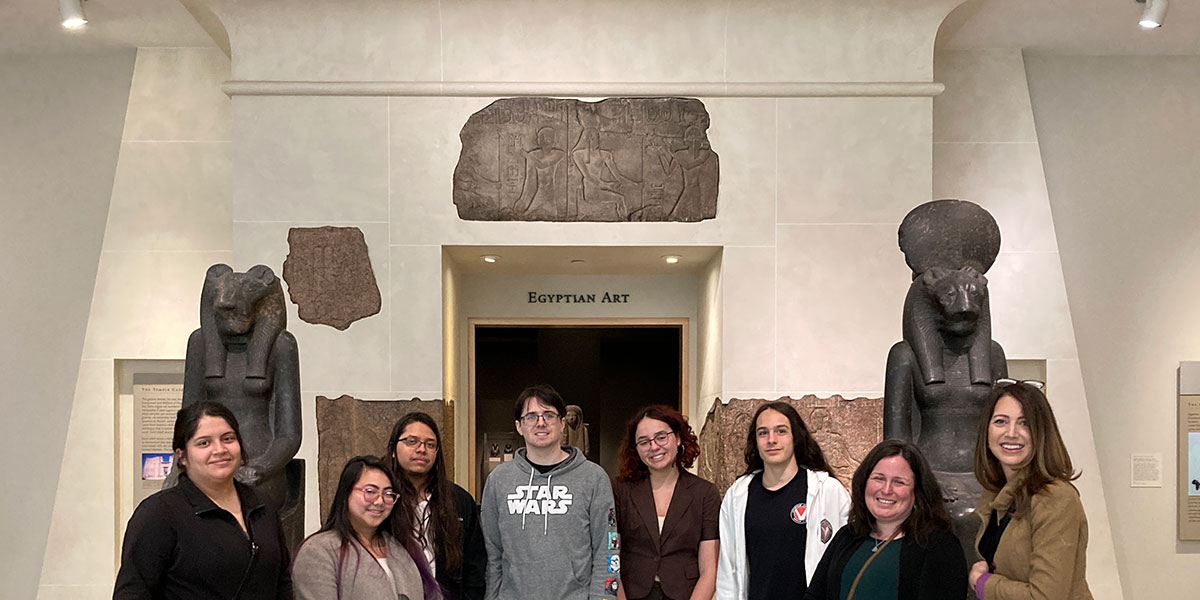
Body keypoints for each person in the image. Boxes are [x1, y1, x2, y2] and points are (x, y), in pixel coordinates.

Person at [114, 401, 292, 599]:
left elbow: (282, 582)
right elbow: (133, 592)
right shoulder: (159, 513)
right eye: (204, 443)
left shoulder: (262, 506)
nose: (220, 449)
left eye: (228, 439)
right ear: (182, 456)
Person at [480, 384, 618, 600]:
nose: (541, 423)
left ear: (562, 423)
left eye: (549, 415)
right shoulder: (498, 481)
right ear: (519, 426)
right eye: (531, 416)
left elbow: (607, 550)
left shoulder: (593, 478)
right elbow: (492, 554)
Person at [968, 381, 1093, 599]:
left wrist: (983, 584)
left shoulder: (1055, 498)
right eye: (1000, 421)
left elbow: (1045, 596)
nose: (1011, 433)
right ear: (986, 432)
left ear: (1041, 434)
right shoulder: (995, 494)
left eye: (1025, 423)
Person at [716, 401, 850, 600]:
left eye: (781, 431)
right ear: (755, 441)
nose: (771, 440)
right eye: (763, 433)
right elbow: (728, 570)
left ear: (795, 437)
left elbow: (846, 558)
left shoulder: (828, 491)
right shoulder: (738, 496)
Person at [804, 440, 967, 600]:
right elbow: (815, 595)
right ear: (864, 482)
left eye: (899, 482)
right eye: (879, 479)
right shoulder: (847, 536)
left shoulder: (939, 546)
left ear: (917, 492)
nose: (886, 490)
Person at [613, 405, 720, 600]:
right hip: (631, 592)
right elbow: (611, 558)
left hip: (686, 594)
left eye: (661, 437)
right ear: (635, 449)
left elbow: (709, 569)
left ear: (678, 438)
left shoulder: (705, 493)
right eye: (644, 442)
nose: (654, 447)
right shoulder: (620, 490)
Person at [292, 456, 435, 600]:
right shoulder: (319, 550)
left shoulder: (405, 547)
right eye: (370, 492)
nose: (379, 501)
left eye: (388, 494)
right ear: (346, 492)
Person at [387, 412, 486, 600]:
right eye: (411, 441)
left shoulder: (459, 500)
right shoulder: (382, 499)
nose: (421, 449)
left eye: (430, 444)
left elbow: (475, 566)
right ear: (393, 448)